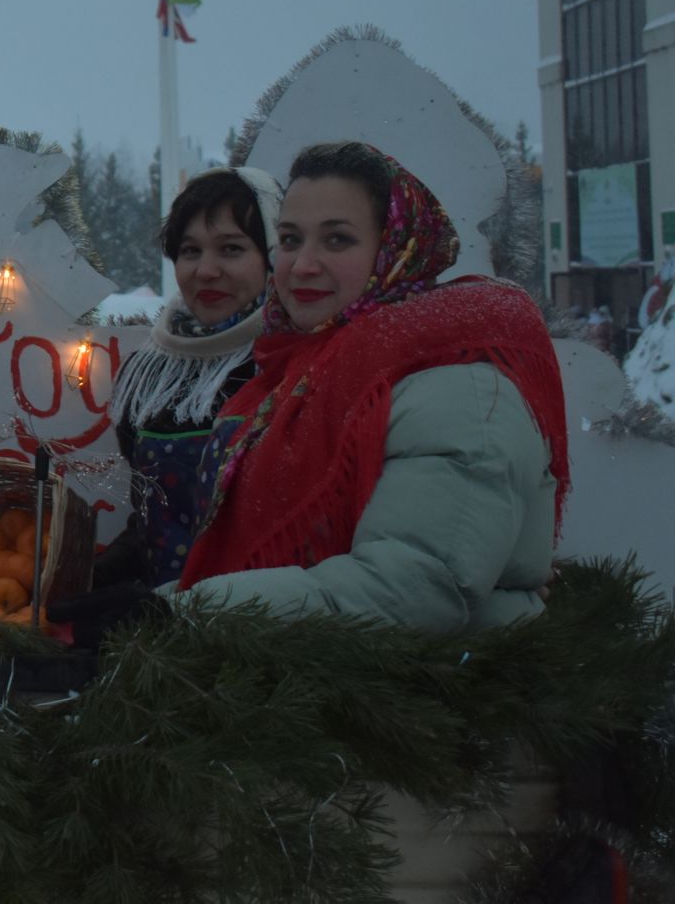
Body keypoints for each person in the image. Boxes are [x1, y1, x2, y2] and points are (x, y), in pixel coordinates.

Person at [171, 141, 568, 631]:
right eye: (291, 240)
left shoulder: (460, 383)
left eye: (337, 240)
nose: (303, 265)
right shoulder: (297, 372)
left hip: (431, 693)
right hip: (306, 674)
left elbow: (414, 590)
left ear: (397, 246)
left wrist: (183, 612)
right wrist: (154, 602)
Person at [96, 166, 284, 589]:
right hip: (163, 621)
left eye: (231, 249)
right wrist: (106, 576)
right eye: (190, 250)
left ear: (274, 255)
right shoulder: (151, 372)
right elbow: (150, 516)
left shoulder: (292, 361)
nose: (206, 270)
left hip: (271, 619)